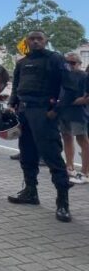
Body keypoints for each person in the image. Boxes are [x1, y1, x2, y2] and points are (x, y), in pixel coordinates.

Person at [7, 30, 74, 222]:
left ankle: (63, 202)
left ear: (46, 41)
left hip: (43, 112)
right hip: (24, 112)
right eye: (32, 39)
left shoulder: (55, 59)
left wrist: (56, 111)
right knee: (27, 153)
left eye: (39, 39)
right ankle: (30, 192)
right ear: (27, 41)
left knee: (52, 155)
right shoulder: (22, 62)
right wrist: (11, 104)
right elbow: (16, 86)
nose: (35, 41)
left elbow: (70, 88)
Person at [57, 53, 88, 185]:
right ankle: (69, 167)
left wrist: (67, 102)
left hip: (78, 113)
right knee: (66, 138)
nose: (69, 65)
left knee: (82, 141)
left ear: (79, 64)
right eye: (67, 62)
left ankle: (85, 172)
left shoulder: (84, 76)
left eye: (73, 62)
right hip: (64, 113)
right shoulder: (63, 76)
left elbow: (86, 98)